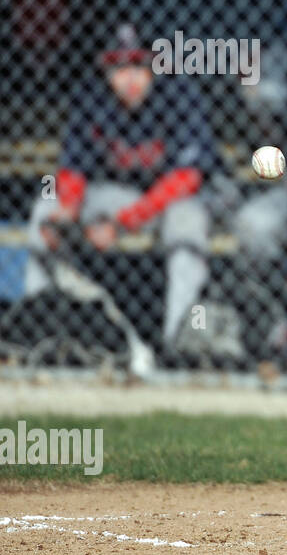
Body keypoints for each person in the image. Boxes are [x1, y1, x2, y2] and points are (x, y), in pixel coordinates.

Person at [24, 24, 217, 361]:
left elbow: (187, 179)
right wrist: (67, 210)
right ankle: (36, 333)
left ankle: (176, 346)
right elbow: (72, 168)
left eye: (139, 67)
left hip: (173, 202)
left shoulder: (179, 94)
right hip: (119, 198)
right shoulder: (91, 97)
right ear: (105, 70)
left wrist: (121, 223)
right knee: (45, 207)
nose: (130, 79)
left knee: (185, 226)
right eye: (119, 67)